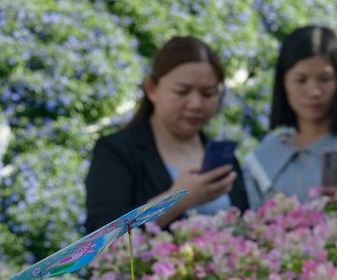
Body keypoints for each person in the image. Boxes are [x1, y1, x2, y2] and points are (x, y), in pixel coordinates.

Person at [84, 36, 249, 233]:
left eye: (208, 93)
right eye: (182, 91)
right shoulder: (117, 151)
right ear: (152, 90)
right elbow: (100, 234)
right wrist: (176, 200)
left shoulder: (223, 158)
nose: (196, 104)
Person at [243, 26, 337, 207]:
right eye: (301, 80)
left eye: (324, 79)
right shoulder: (265, 156)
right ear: (283, 83)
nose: (314, 92)